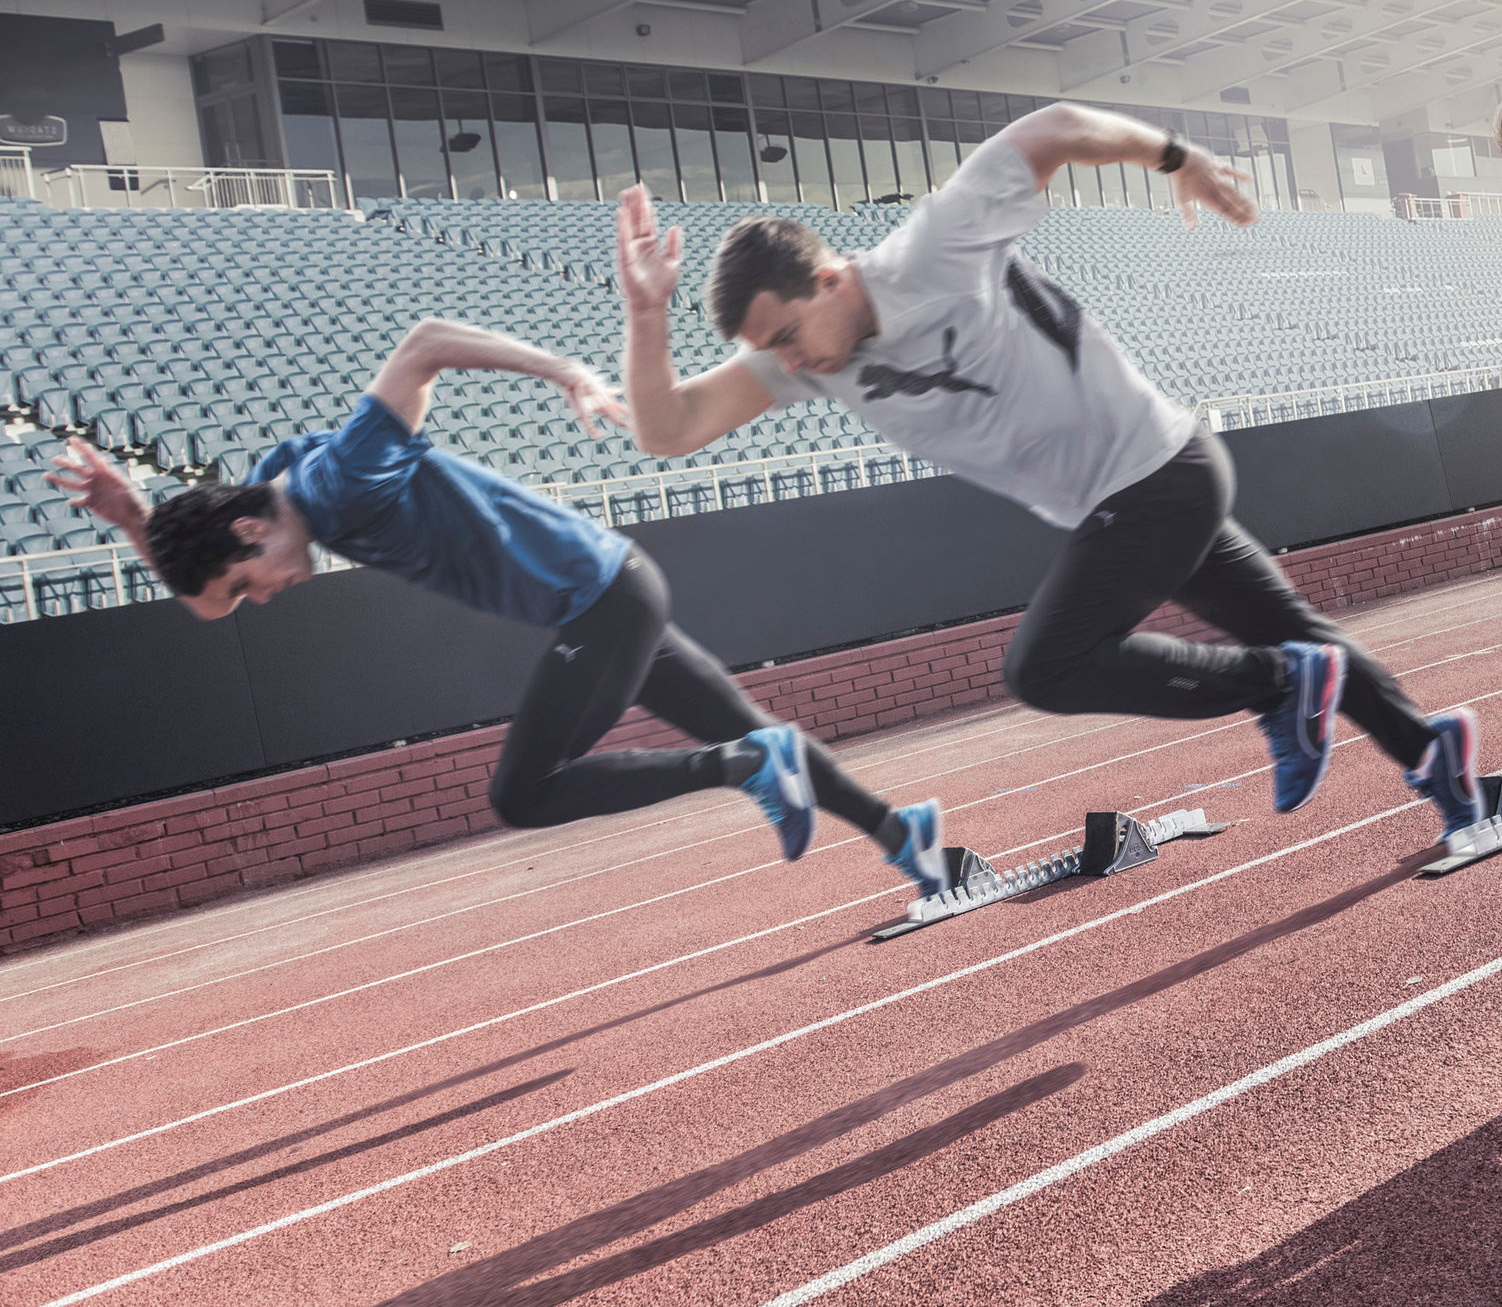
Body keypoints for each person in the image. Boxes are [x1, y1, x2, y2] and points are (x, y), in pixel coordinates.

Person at [610, 104, 1484, 840]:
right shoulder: (809, 361)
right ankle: (1437, 757)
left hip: (1151, 478)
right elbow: (670, 429)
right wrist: (646, 314)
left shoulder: (933, 248)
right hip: (1142, 488)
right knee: (1292, 625)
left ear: (831, 279)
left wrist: (1174, 157)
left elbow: (1055, 128)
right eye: (768, 353)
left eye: (787, 336)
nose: (787, 364)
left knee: (1048, 667)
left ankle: (1281, 684)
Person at [48, 318, 951, 892]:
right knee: (747, 721)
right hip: (608, 592)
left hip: (602, 600)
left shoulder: (342, 481)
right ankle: (904, 832)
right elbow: (209, 609)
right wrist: (135, 516)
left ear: (250, 533)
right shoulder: (272, 495)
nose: (263, 597)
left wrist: (562, 369)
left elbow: (426, 340)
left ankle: (744, 766)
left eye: (251, 580)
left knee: (526, 791)